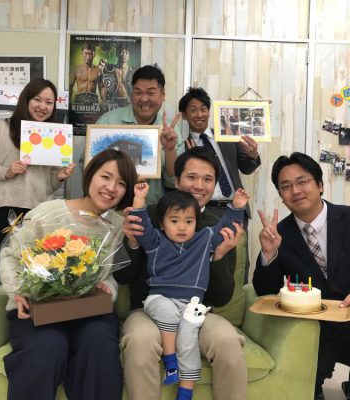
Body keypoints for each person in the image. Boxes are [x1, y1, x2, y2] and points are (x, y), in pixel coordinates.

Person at [0, 149, 138, 400]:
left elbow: (109, 274)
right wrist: (17, 292)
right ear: (90, 175)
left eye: (121, 183)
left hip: (89, 311)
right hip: (38, 307)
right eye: (105, 177)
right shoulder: (48, 212)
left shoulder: (117, 226)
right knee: (47, 348)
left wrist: (109, 290)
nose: (111, 188)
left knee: (99, 344)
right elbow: (10, 256)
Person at [114, 147, 247, 400]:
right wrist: (131, 243)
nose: (199, 185)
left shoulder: (215, 229)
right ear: (176, 181)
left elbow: (221, 298)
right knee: (140, 341)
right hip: (148, 309)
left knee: (227, 342)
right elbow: (122, 277)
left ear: (214, 186)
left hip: (197, 310)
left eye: (207, 179)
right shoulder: (148, 218)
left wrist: (218, 256)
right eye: (191, 177)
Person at [252, 152, 350, 400]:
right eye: (286, 186)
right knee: (305, 386)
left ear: (320, 185)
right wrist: (269, 253)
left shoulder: (348, 218)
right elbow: (265, 291)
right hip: (313, 324)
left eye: (302, 181)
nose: (295, 191)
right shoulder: (278, 234)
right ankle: (313, 386)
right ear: (282, 196)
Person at [0, 78, 75, 251]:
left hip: (40, 210)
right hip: (5, 208)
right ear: (25, 100)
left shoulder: (54, 136)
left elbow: (49, 185)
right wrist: (7, 171)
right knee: (7, 260)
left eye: (49, 102)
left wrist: (59, 177)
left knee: (39, 262)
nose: (43, 106)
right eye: (37, 99)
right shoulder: (2, 127)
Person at [178, 87, 261, 283]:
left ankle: (239, 298)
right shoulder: (182, 145)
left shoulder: (227, 135)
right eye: (193, 110)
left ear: (209, 111)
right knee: (212, 261)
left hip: (236, 208)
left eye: (203, 109)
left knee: (239, 263)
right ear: (184, 115)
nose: (199, 114)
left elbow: (246, 168)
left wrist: (252, 154)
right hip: (207, 211)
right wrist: (189, 156)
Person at [97, 64, 184, 204]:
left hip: (152, 210)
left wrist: (170, 150)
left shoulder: (171, 131)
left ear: (163, 95)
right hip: (110, 207)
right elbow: (90, 169)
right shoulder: (107, 122)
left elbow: (173, 183)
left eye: (151, 93)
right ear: (131, 94)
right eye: (138, 92)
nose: (144, 99)